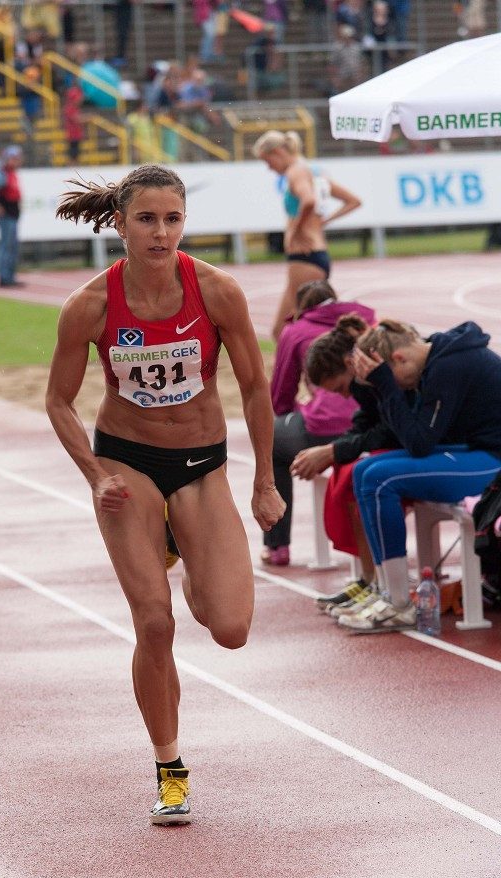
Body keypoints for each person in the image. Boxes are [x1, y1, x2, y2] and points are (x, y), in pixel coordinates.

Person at [45, 165, 285, 824]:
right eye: (147, 219)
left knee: (231, 628)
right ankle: (170, 769)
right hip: (131, 463)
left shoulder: (217, 292)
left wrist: (264, 480)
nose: (161, 232)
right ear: (119, 224)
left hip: (203, 464)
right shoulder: (90, 305)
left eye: (172, 219)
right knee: (154, 623)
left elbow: (256, 389)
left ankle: (184, 551)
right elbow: (58, 401)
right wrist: (97, 476)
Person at [333, 319, 501, 632]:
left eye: (393, 379)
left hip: (494, 463)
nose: (398, 388)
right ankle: (387, 593)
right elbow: (412, 434)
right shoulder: (437, 360)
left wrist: (386, 385)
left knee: (381, 478)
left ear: (398, 358)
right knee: (364, 470)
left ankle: (399, 603)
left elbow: (419, 443)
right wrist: (383, 386)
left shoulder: (449, 366)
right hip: (475, 450)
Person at [292, 313, 404, 614]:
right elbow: (366, 423)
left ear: (347, 363)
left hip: (435, 446)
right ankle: (370, 578)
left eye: (340, 387)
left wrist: (333, 451)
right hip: (407, 441)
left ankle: (388, 586)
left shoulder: (380, 370)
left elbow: (392, 429)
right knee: (349, 471)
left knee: (362, 474)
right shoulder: (359, 381)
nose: (344, 394)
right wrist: (334, 449)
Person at [261, 281, 373, 566]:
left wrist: (300, 410)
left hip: (325, 426)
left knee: (273, 444)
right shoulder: (367, 320)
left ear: (301, 308)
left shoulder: (296, 330)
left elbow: (280, 396)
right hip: (373, 421)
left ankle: (277, 545)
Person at [252, 130, 361, 341]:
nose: (269, 168)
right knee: (283, 329)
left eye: (268, 162)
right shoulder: (314, 172)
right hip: (312, 256)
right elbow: (353, 201)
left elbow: (309, 201)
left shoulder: (296, 172)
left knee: (299, 331)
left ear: (277, 152)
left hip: (305, 258)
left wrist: (295, 230)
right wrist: (324, 221)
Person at [0, 145, 24, 288]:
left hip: (12, 214)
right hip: (6, 214)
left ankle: (10, 276)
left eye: (17, 158)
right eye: (13, 158)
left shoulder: (11, 173)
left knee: (12, 246)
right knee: (6, 245)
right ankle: (4, 277)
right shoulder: (2, 174)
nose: (16, 161)